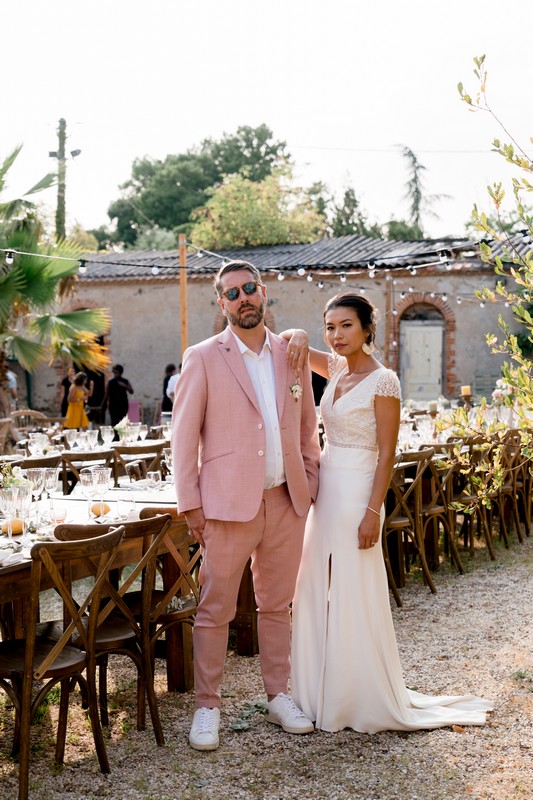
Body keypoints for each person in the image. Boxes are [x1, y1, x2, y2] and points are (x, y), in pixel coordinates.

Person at [284, 292, 493, 733]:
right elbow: (294, 345)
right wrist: (301, 332)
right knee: (313, 583)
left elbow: (386, 453)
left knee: (352, 588)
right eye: (330, 326)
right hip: (326, 489)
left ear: (367, 329)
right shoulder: (337, 367)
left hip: (359, 488)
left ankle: (355, 695)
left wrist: (372, 512)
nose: (336, 335)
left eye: (346, 326)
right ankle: (314, 691)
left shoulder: (384, 381)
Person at [171, 259, 320, 751]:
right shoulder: (202, 357)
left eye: (249, 289)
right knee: (215, 609)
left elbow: (306, 428)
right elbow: (183, 436)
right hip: (226, 507)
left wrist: (310, 482)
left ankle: (278, 695)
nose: (243, 299)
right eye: (232, 293)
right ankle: (207, 707)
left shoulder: (290, 354)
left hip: (285, 501)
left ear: (264, 292)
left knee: (277, 605)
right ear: (221, 303)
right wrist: (191, 503)